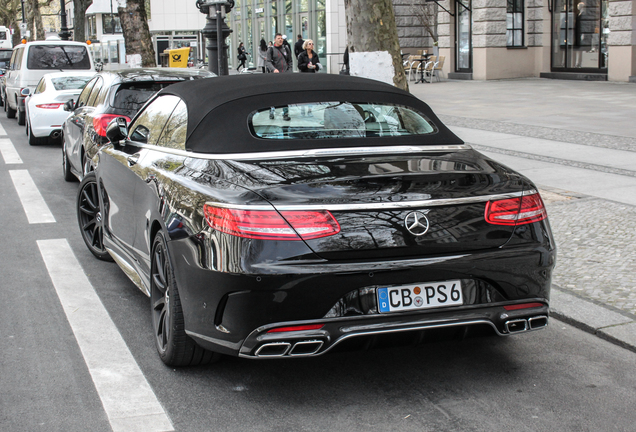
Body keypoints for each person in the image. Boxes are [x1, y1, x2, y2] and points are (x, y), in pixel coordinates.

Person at [266, 33, 293, 120]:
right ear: (275, 40)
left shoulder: (286, 49)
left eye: (281, 38)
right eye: (278, 38)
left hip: (285, 75)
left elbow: (290, 61)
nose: (280, 40)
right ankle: (271, 111)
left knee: (285, 95)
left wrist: (289, 71)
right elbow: (268, 62)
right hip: (275, 76)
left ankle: (285, 114)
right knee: (274, 95)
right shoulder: (271, 50)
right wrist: (273, 69)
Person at [297, 39, 320, 116]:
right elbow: (299, 66)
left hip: (312, 76)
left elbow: (318, 65)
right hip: (304, 76)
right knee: (303, 93)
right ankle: (303, 109)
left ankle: (310, 110)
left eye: (312, 44)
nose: (311, 45)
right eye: (310, 44)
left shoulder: (315, 55)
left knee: (311, 94)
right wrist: (306, 65)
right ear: (306, 46)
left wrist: (315, 66)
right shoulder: (302, 55)